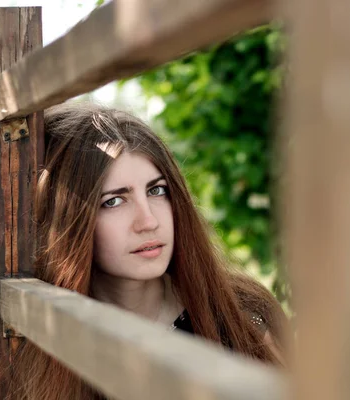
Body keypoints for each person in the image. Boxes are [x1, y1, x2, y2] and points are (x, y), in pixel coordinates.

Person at [15, 101, 288, 399]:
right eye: (113, 201)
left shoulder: (241, 312)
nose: (148, 221)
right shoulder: (38, 335)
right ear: (65, 220)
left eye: (156, 191)